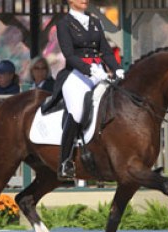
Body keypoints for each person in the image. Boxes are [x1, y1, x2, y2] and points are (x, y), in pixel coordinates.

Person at [55, 0, 125, 180]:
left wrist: (116, 68)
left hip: (99, 71)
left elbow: (106, 51)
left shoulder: (95, 22)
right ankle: (66, 161)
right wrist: (89, 70)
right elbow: (69, 55)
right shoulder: (63, 24)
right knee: (77, 112)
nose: (85, 0)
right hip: (76, 74)